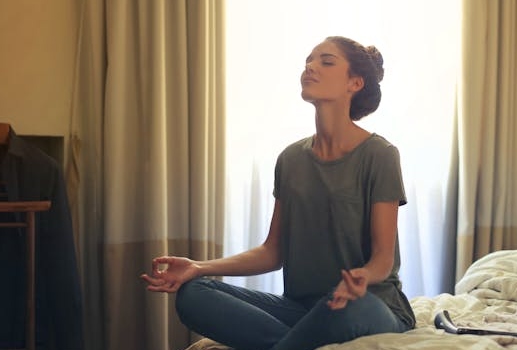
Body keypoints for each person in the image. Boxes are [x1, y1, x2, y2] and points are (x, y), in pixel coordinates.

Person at [141, 35, 415, 350]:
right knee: (194, 294)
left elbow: (383, 259)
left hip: (368, 305)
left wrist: (362, 277)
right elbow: (272, 252)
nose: (311, 66)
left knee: (350, 308)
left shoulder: (379, 155)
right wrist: (199, 267)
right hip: (301, 310)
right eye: (309, 60)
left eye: (326, 61)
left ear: (355, 83)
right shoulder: (291, 159)